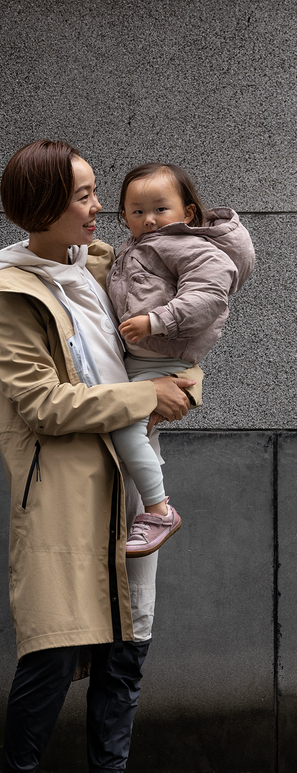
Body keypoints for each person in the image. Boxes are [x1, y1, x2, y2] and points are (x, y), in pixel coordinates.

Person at [0, 140, 199, 773]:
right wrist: (145, 395)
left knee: (125, 656)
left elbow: (176, 333)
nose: (99, 206)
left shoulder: (105, 266)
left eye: (95, 191)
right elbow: (41, 404)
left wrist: (182, 384)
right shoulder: (10, 293)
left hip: (133, 486)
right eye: (82, 195)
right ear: (43, 206)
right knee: (51, 649)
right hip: (64, 496)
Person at [107, 163, 255, 556]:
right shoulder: (131, 248)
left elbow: (208, 296)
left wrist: (156, 321)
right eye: (138, 211)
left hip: (162, 363)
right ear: (124, 216)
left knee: (126, 431)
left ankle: (159, 513)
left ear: (187, 213)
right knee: (127, 431)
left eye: (161, 209)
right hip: (140, 363)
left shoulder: (189, 246)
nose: (149, 219)